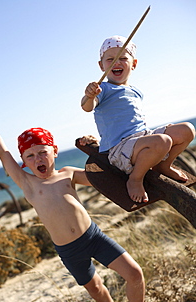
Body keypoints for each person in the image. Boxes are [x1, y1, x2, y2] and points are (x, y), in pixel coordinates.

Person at [0, 113, 164, 302]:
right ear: (23, 162)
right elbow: (3, 154)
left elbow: (102, 178)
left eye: (42, 152)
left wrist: (96, 150)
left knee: (134, 274)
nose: (38, 159)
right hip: (68, 250)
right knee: (95, 287)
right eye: (30, 156)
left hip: (93, 237)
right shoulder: (27, 183)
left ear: (55, 151)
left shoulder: (68, 174)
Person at [81, 35, 195, 203]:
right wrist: (88, 95)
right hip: (119, 148)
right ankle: (135, 178)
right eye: (110, 59)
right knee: (162, 141)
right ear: (101, 65)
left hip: (142, 138)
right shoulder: (102, 89)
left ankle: (163, 165)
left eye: (123, 58)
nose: (116, 63)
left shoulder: (136, 91)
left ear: (133, 64)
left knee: (187, 129)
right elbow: (87, 106)